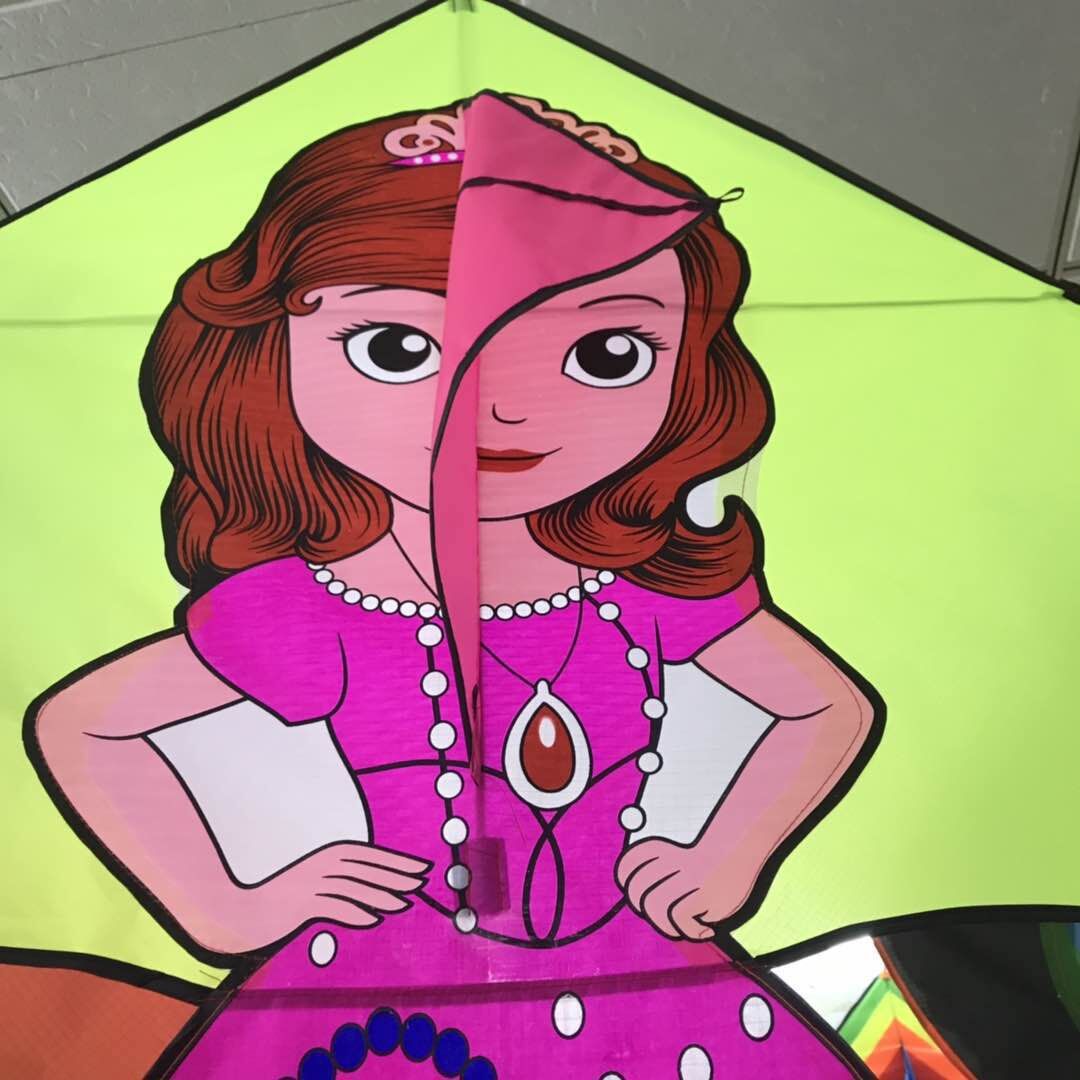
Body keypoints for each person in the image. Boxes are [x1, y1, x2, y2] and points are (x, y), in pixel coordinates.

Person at [31, 90, 881, 1078]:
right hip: (381, 1000)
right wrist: (225, 908)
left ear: (687, 365)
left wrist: (730, 856)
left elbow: (828, 706)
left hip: (644, 989)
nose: (501, 407)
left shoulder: (645, 589)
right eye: (399, 348)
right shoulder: (313, 610)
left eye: (607, 354)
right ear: (271, 348)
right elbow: (85, 727)